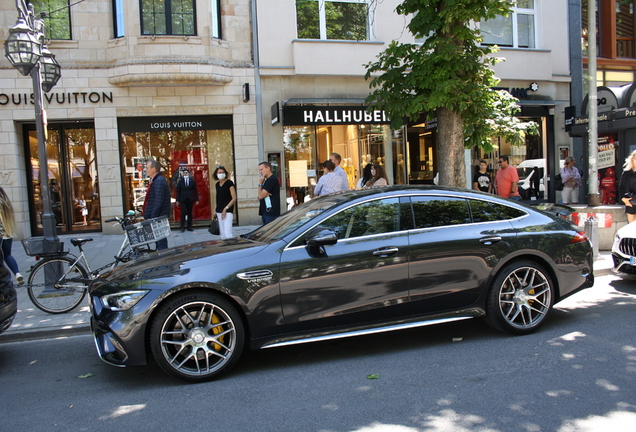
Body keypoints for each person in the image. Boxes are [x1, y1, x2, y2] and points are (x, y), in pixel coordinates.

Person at [143, 159, 171, 250]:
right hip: (158, 216)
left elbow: (158, 201)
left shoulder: (159, 181)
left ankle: (163, 260)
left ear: (153, 169)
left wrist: (153, 217)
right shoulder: (156, 180)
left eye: (147, 168)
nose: (145, 170)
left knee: (161, 241)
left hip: (158, 216)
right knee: (159, 240)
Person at [0, 187, 23, 285]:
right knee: (7, 255)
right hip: (8, 232)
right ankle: (17, 273)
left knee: (1, 258)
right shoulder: (7, 204)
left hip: (0, 234)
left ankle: (5, 278)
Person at [214, 166, 237, 239]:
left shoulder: (229, 183)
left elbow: (234, 198)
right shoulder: (217, 184)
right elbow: (218, 198)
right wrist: (215, 209)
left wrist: (226, 208)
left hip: (227, 211)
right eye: (219, 172)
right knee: (222, 234)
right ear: (216, 174)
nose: (221, 174)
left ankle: (231, 248)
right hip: (219, 210)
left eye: (222, 172)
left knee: (228, 233)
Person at [619, 149, 636, 224]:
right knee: (631, 227)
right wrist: (624, 199)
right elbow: (621, 186)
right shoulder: (627, 172)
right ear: (632, 159)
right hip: (631, 200)